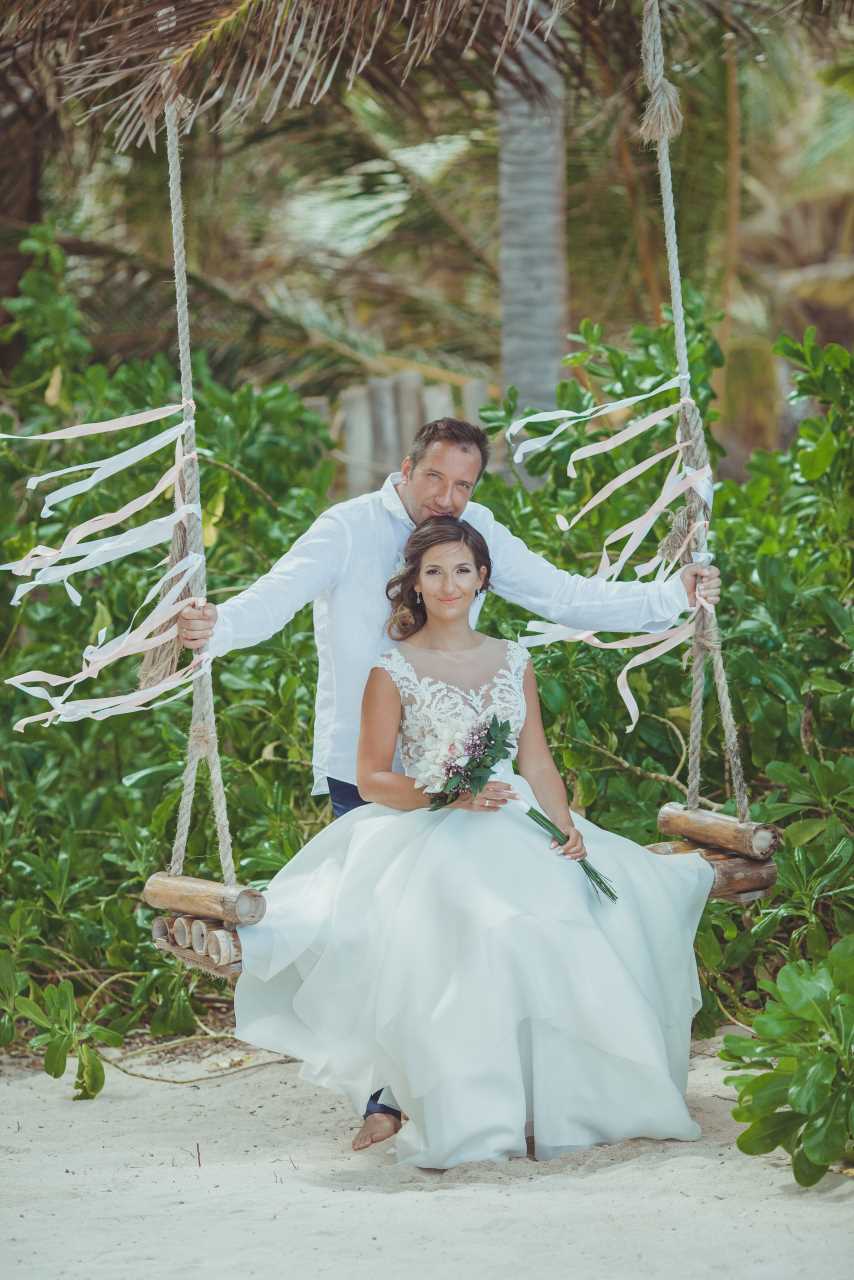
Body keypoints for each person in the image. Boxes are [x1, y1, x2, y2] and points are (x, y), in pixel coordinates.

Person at [177, 416, 721, 1149]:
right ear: (405, 469)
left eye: (464, 483)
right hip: (368, 768)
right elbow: (275, 598)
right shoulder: (346, 529)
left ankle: (477, 1086)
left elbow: (563, 595)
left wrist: (669, 597)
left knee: (476, 933)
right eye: (435, 476)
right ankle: (382, 1098)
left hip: (473, 780)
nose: (447, 495)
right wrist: (217, 627)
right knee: (379, 933)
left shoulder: (476, 533)